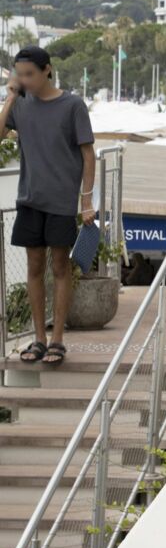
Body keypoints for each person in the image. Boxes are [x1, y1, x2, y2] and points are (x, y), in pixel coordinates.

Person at [2, 46, 97, 366]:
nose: (25, 80)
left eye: (30, 74)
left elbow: (88, 155)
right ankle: (39, 338)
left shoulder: (72, 105)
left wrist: (86, 200)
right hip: (29, 199)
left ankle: (58, 339)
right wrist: (11, 97)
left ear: (47, 70)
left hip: (60, 201)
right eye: (20, 74)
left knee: (60, 268)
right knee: (33, 269)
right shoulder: (21, 105)